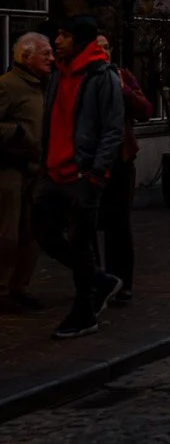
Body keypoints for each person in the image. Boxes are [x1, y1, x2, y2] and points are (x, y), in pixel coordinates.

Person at [31, 17, 125, 339]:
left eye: (65, 35)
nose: (57, 40)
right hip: (54, 171)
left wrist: (96, 172)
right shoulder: (59, 72)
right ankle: (99, 280)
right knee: (42, 230)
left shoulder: (103, 75)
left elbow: (113, 129)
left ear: (81, 41)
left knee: (81, 242)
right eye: (58, 34)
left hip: (83, 173)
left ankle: (85, 311)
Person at [0, 31, 50, 312]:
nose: (51, 59)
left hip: (36, 168)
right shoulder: (8, 86)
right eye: (45, 54)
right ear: (26, 56)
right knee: (8, 232)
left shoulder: (43, 86)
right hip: (10, 168)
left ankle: (20, 286)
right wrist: (17, 133)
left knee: (32, 231)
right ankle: (3, 289)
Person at [98, 40, 151, 300]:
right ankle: (96, 279)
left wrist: (125, 92)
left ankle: (122, 281)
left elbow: (145, 109)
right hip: (89, 161)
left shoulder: (122, 75)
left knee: (118, 224)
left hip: (120, 159)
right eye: (99, 47)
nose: (105, 52)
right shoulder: (78, 80)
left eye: (108, 46)